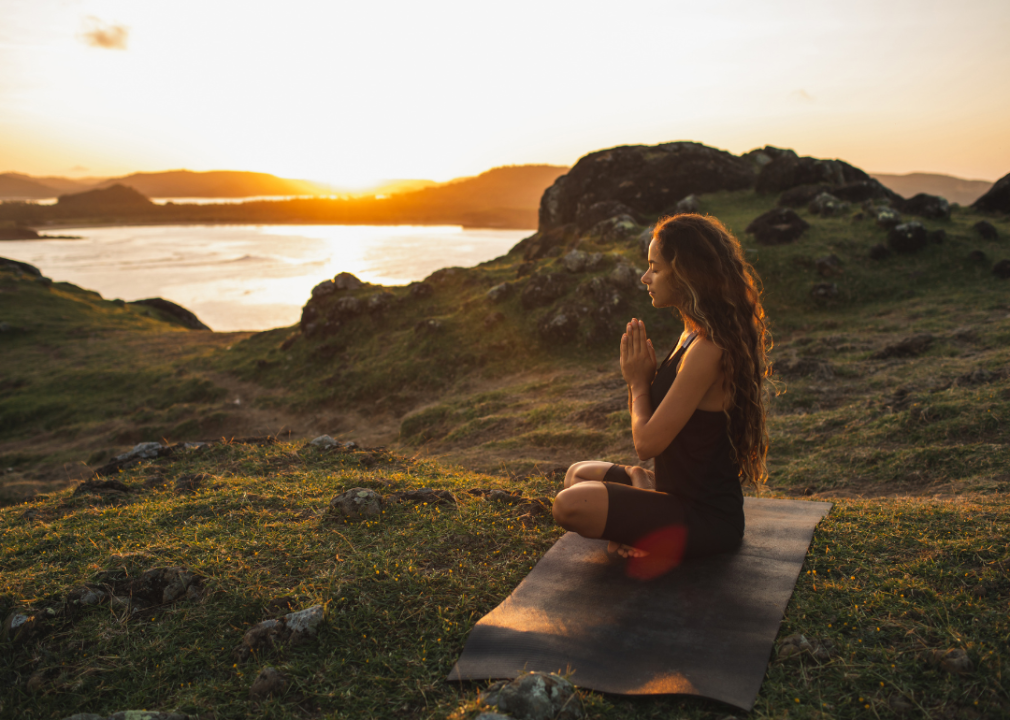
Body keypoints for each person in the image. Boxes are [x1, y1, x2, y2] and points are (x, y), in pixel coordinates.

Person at [551, 213, 770, 568]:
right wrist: (639, 474)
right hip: (671, 491)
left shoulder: (709, 348)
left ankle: (647, 524)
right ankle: (643, 490)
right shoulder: (692, 332)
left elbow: (647, 444)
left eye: (655, 267)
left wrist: (638, 382)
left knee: (570, 505)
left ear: (685, 274)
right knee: (578, 473)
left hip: (705, 518)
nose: (645, 277)